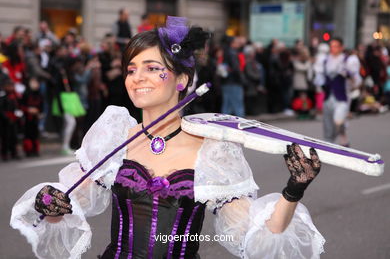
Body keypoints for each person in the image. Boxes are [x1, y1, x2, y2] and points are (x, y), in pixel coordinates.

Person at [10, 17, 324, 258]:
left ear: (182, 79)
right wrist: (50, 204)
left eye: (151, 68)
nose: (137, 78)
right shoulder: (115, 138)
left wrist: (292, 192)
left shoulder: (212, 151)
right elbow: (66, 209)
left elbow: (250, 236)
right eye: (131, 69)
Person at [313, 38, 362, 146]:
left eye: (335, 46)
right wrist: (321, 84)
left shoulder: (348, 60)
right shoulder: (324, 60)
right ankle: (329, 146)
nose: (333, 49)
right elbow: (319, 78)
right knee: (328, 124)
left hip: (342, 96)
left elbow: (356, 81)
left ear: (341, 47)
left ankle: (342, 134)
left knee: (338, 119)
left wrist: (349, 76)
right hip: (328, 96)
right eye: (331, 46)